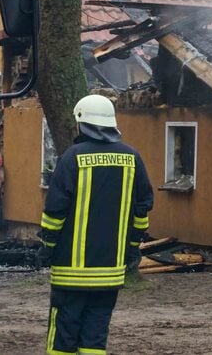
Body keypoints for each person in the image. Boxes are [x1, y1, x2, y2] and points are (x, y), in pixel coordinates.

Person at [37, 94, 154, 355]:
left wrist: (47, 246)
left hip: (70, 271)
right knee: (94, 337)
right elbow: (142, 210)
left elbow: (55, 211)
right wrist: (133, 248)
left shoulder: (72, 158)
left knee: (63, 337)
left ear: (81, 122)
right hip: (110, 271)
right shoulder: (132, 158)